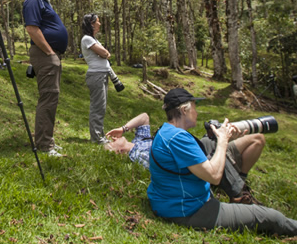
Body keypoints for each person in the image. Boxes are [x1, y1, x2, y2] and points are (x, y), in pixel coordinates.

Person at [146, 88, 297, 243]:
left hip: (170, 200)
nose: (197, 111)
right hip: (189, 211)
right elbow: (214, 175)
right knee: (269, 217)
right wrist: (222, 140)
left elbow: (195, 159)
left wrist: (225, 138)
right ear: (184, 110)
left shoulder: (167, 132)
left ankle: (238, 189)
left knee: (234, 145)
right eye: (194, 107)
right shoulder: (179, 139)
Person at [106, 112, 265, 204]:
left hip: (198, 145)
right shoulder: (137, 156)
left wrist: (123, 128)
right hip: (194, 157)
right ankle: (239, 192)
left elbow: (144, 117)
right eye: (110, 143)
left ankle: (239, 178)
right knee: (219, 146)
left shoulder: (139, 140)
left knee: (257, 138)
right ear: (118, 152)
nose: (112, 139)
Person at [23, 0, 68, 157]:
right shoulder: (33, 0)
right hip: (45, 54)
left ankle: (47, 140)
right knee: (48, 97)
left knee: (51, 98)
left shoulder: (44, 2)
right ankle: (44, 145)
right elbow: (32, 29)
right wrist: (50, 53)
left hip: (50, 54)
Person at [81, 13, 111, 144]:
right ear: (91, 24)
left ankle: (100, 136)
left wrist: (105, 53)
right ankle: (97, 138)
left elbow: (105, 54)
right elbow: (105, 53)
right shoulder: (87, 39)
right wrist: (105, 53)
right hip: (96, 75)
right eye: (97, 21)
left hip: (102, 75)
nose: (100, 24)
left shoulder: (94, 40)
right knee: (97, 107)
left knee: (101, 107)